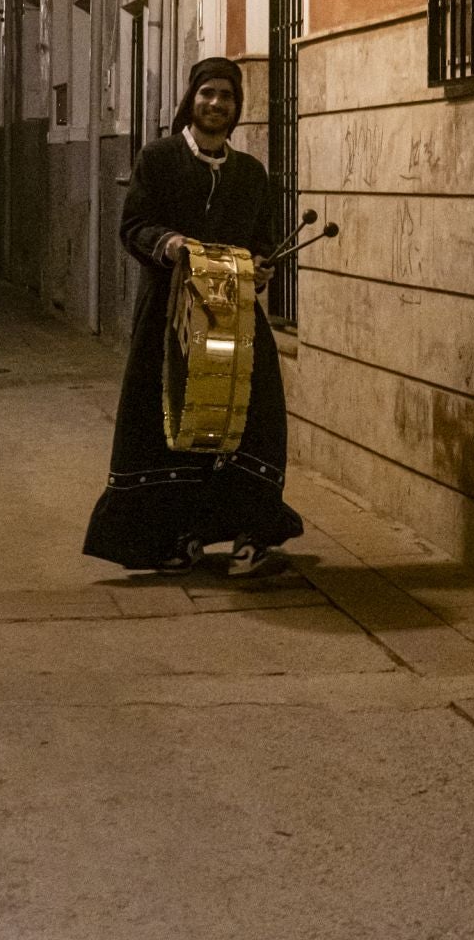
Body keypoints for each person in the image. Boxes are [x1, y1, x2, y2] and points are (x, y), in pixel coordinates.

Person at [83, 57, 304, 578]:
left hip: (236, 322)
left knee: (257, 419)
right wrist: (173, 244)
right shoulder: (158, 159)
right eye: (207, 93)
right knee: (163, 423)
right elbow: (134, 224)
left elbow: (261, 241)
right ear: (192, 98)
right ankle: (175, 539)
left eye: (226, 96)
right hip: (168, 321)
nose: (216, 104)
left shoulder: (250, 174)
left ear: (236, 107)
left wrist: (262, 266)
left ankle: (251, 537)